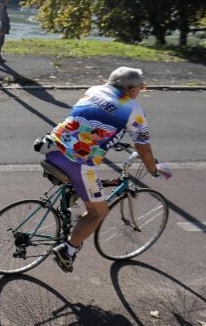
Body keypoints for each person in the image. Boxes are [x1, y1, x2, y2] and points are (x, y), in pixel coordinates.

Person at [33, 67, 171, 273]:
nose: (140, 92)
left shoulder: (94, 90)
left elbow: (89, 120)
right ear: (131, 89)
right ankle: (68, 250)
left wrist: (109, 140)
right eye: (140, 88)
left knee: (83, 190)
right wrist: (153, 170)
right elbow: (143, 148)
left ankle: (72, 216)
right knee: (99, 212)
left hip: (51, 147)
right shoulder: (134, 109)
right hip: (77, 163)